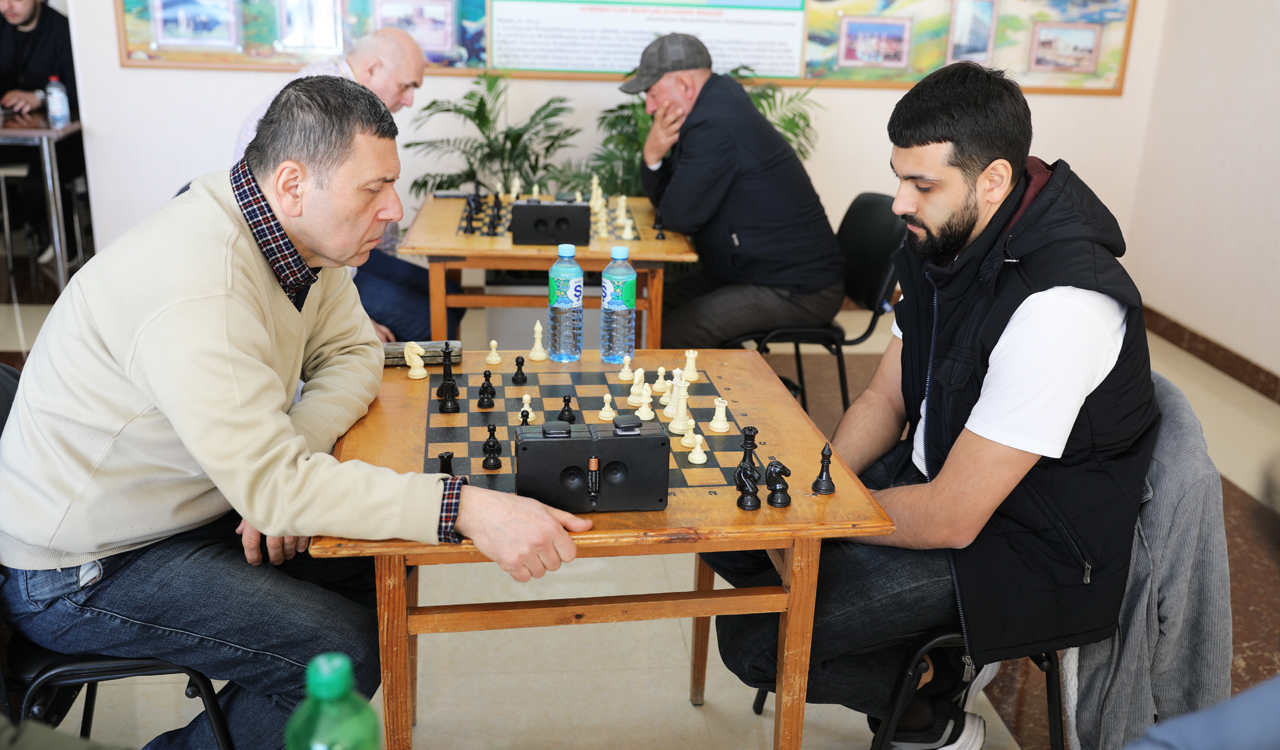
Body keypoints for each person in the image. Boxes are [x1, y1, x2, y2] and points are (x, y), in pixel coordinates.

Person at [0, 76, 592, 749]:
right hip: (82, 565)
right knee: (338, 656)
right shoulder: (199, 286)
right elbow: (277, 488)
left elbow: (355, 354)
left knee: (378, 562)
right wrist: (465, 507)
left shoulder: (300, 237)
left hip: (184, 505)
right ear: (292, 184)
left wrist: (283, 465)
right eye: (373, 189)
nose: (394, 209)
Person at [702, 62, 1161, 750]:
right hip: (934, 474)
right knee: (737, 537)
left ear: (993, 180)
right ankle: (917, 659)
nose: (899, 202)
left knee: (754, 639)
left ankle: (931, 707)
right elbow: (885, 395)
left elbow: (951, 516)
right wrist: (813, 487)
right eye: (898, 177)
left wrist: (822, 519)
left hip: (1021, 544)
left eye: (922, 185)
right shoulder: (941, 241)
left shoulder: (1061, 307)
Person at [236, 27, 462, 344]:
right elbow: (316, 226)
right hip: (308, 255)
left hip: (337, 242)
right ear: (373, 69)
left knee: (449, 294)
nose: (410, 100)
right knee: (429, 319)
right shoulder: (324, 107)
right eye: (406, 85)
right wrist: (351, 319)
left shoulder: (353, 105)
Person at [620, 33, 846, 349]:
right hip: (750, 270)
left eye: (653, 93)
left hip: (798, 288)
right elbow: (673, 203)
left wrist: (652, 155)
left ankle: (735, 378)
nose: (649, 107)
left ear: (685, 85)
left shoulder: (714, 123)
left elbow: (678, 217)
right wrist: (655, 160)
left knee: (673, 334)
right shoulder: (716, 105)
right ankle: (726, 366)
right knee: (655, 307)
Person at [0, 0, 84, 266]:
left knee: (41, 176)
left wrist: (40, 96)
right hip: (15, 136)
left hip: (65, 138)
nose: (7, 6)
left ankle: (61, 241)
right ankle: (22, 218)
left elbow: (81, 89)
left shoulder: (64, 31)